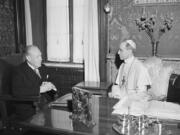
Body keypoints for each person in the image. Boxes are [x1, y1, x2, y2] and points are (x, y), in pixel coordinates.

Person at [12, 45, 57, 120]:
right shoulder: (18, 71)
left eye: (41, 56)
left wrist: (51, 85)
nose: (41, 59)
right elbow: (17, 91)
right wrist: (40, 89)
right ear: (28, 58)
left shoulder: (42, 67)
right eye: (37, 57)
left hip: (46, 103)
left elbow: (53, 79)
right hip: (29, 108)